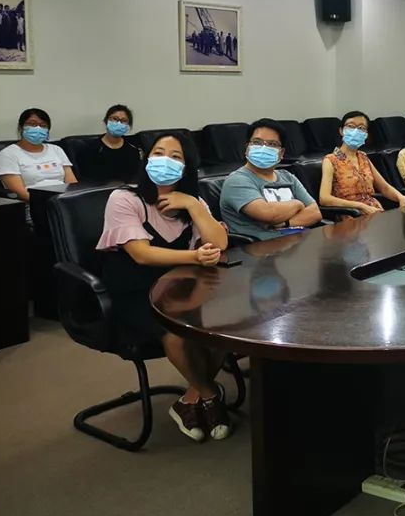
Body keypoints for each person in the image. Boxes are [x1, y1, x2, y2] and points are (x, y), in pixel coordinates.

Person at [95, 132, 232, 442]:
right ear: (146, 159)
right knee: (176, 333)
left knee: (225, 325)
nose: (164, 161)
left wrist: (193, 205)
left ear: (187, 167)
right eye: (158, 153)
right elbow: (141, 254)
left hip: (181, 286)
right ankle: (210, 395)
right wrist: (195, 256)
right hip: (135, 290)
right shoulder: (124, 199)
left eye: (175, 156)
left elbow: (220, 242)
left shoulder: (193, 202)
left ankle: (190, 399)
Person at [220, 119, 322, 239]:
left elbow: (315, 213)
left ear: (281, 153)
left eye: (272, 144)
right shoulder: (237, 180)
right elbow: (267, 214)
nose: (263, 148)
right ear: (247, 148)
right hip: (264, 247)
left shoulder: (287, 176)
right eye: (257, 142)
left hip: (299, 241)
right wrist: (297, 204)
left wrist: (285, 223)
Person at [320, 111, 405, 214]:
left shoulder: (363, 157)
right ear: (341, 131)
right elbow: (324, 198)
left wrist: (401, 197)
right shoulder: (331, 160)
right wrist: (360, 206)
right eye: (351, 126)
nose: (355, 131)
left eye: (361, 128)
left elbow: (384, 187)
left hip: (375, 211)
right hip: (351, 215)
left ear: (366, 134)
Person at [0, 108, 77, 205]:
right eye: (32, 124)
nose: (38, 128)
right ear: (21, 127)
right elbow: (19, 192)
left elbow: (72, 184)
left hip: (64, 203)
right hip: (34, 205)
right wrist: (51, 205)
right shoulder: (8, 154)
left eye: (43, 125)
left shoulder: (56, 150)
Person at [79, 104, 143, 182]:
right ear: (106, 121)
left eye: (124, 121)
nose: (119, 123)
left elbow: (137, 176)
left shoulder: (133, 147)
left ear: (128, 125)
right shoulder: (92, 149)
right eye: (115, 119)